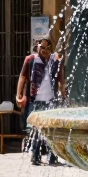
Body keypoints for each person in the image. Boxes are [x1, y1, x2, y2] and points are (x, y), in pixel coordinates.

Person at [16, 37, 65, 166]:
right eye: (42, 48)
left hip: (50, 100)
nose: (45, 50)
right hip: (35, 100)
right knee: (35, 128)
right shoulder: (30, 60)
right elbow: (23, 77)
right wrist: (18, 95)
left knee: (51, 129)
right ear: (37, 47)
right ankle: (35, 156)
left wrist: (63, 92)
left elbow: (60, 77)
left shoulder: (55, 60)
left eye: (47, 48)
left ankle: (52, 156)